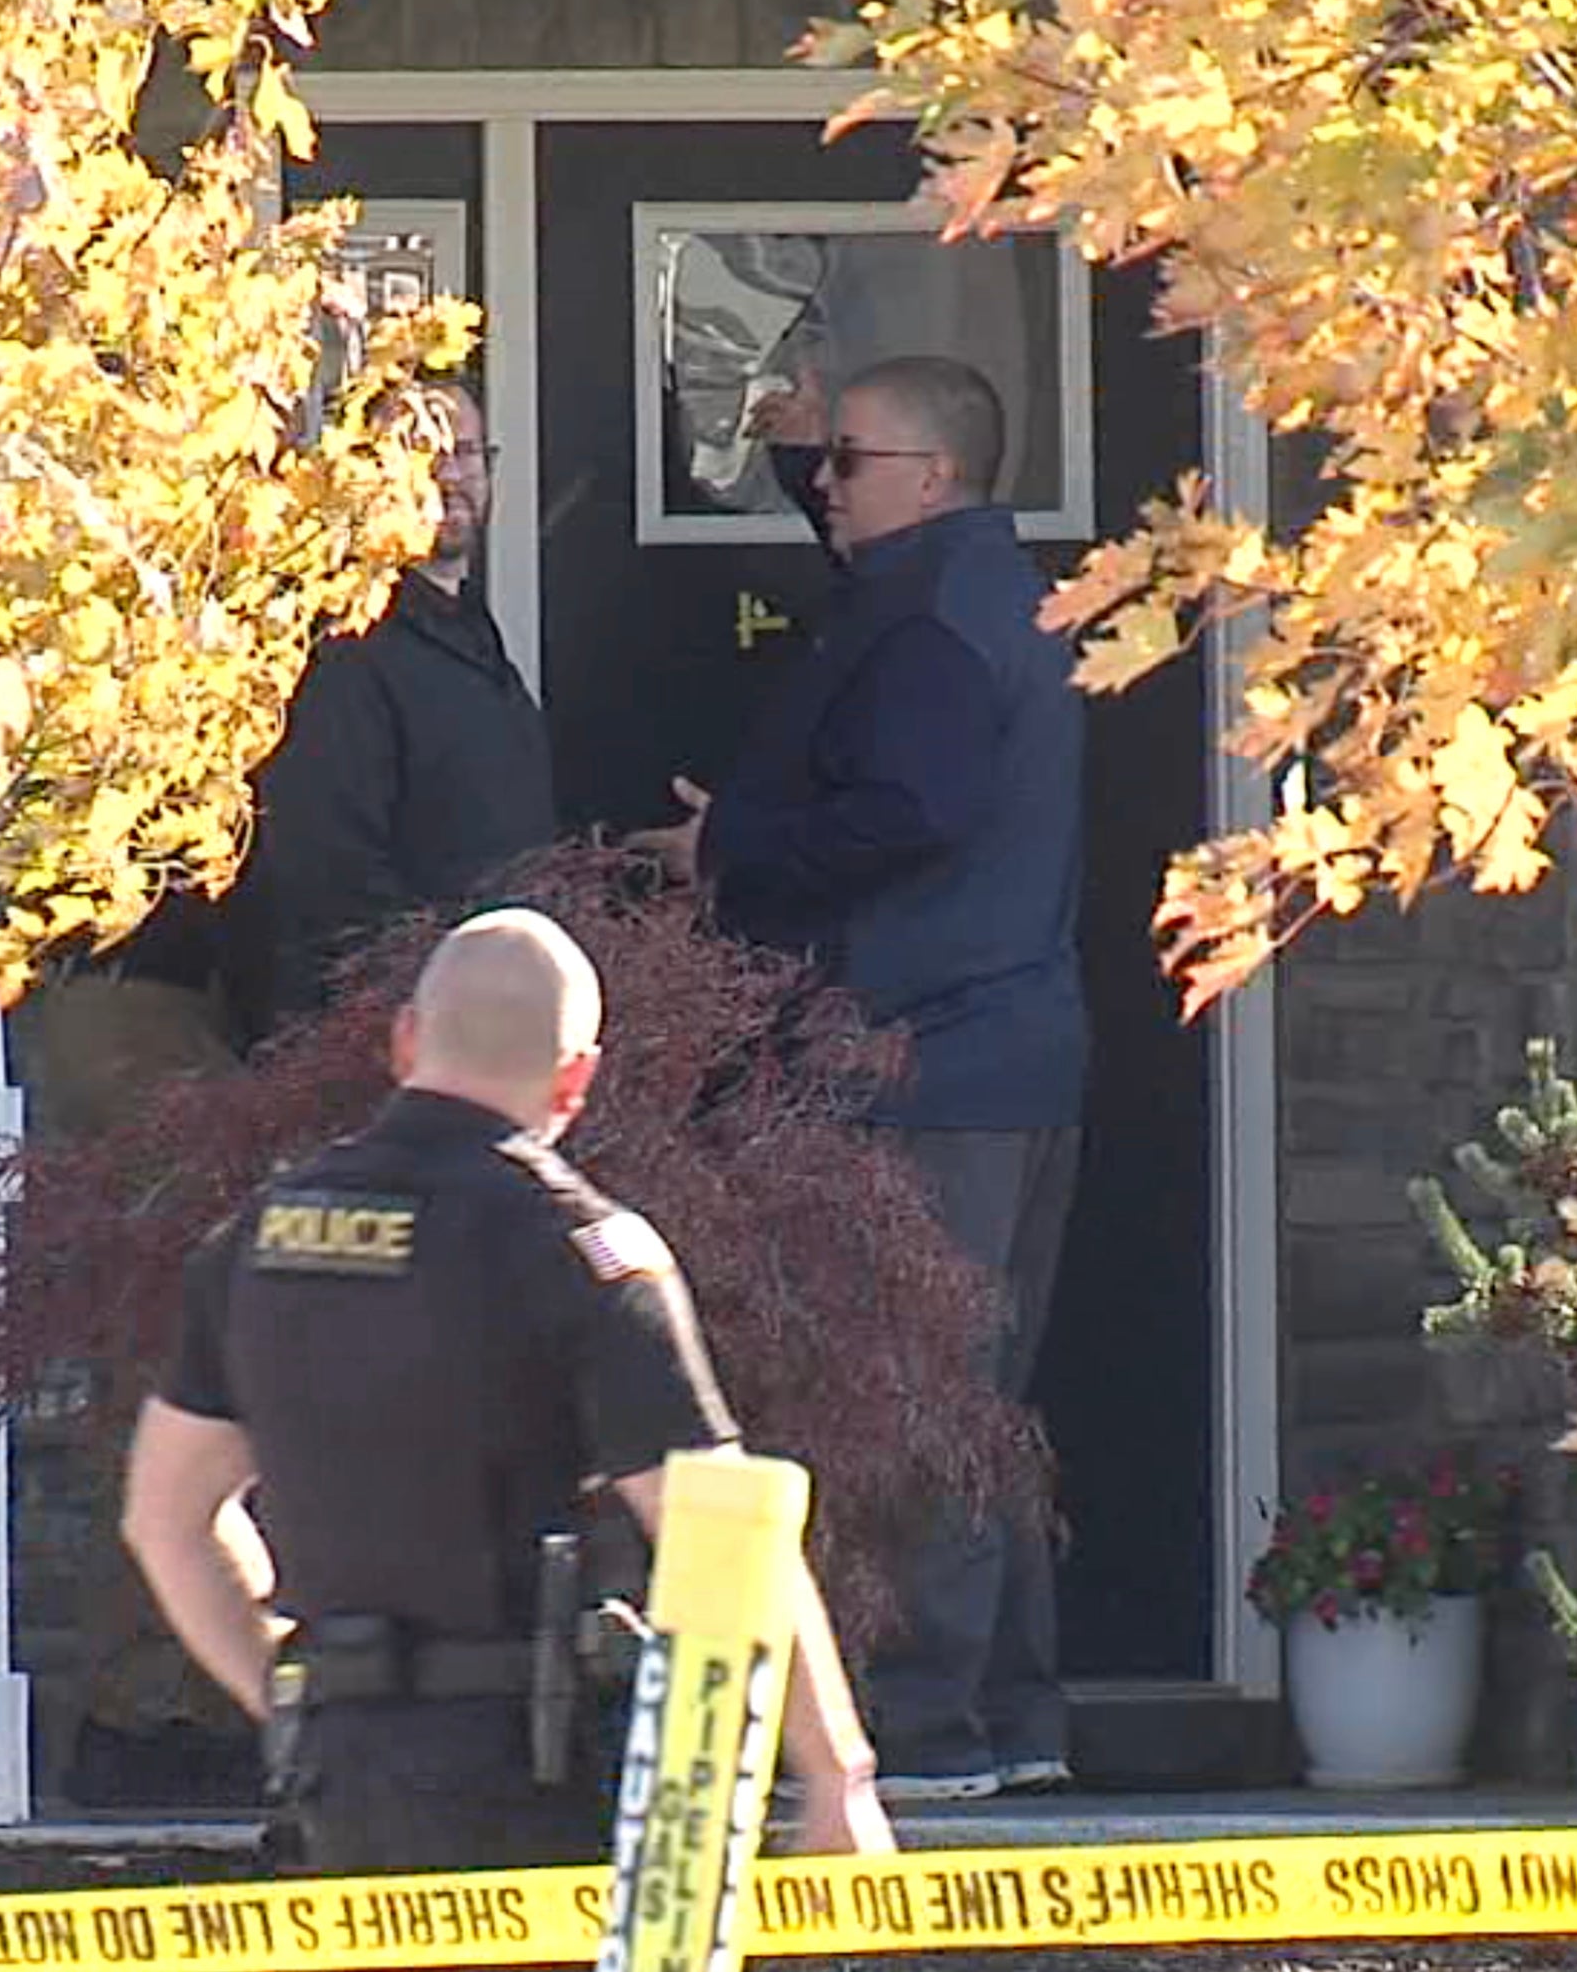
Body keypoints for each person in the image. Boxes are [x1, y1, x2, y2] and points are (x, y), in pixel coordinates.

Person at [122, 909, 894, 1870]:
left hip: (337, 1780)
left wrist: (290, 1698)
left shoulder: (255, 1240)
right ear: (579, 1075)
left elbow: (165, 1518)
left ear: (404, 1038)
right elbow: (720, 1532)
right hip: (529, 1782)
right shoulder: (574, 1246)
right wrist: (835, 1778)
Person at [632, 356, 1087, 1803]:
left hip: (922, 1054)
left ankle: (928, 1729)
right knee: (979, 1402)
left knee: (913, 1394)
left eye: (843, 461)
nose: (818, 483)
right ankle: (1014, 1720)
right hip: (997, 1049)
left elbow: (910, 809)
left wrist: (729, 853)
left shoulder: (933, 623)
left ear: (933, 478)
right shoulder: (968, 594)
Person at [221, 383, 555, 1046]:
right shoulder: (343, 645)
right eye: (420, 453)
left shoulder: (467, 631)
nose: (449, 475)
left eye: (464, 452)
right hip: (389, 1042)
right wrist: (420, 1008)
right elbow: (329, 872)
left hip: (487, 1023)